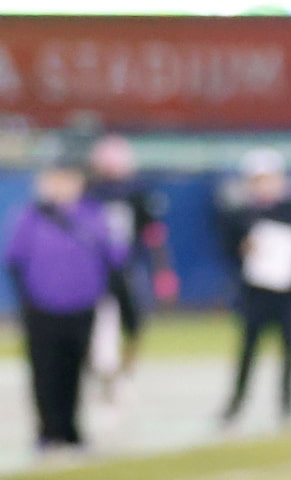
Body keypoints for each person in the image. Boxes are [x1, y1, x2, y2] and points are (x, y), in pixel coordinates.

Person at [4, 160, 120, 454]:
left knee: (75, 368)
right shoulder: (31, 216)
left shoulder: (94, 214)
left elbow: (115, 255)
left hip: (82, 305)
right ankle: (48, 430)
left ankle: (70, 429)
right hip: (42, 307)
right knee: (44, 370)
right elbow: (13, 258)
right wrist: (28, 299)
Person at [216, 148, 291, 426]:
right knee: (248, 349)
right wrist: (242, 250)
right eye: (259, 180)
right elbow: (228, 251)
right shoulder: (241, 215)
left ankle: (287, 404)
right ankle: (237, 402)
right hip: (255, 292)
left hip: (289, 292)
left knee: (289, 348)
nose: (265, 185)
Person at [83, 135, 176, 401]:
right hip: (96, 270)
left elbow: (155, 234)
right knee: (93, 325)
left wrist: (163, 271)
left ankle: (124, 373)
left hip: (128, 267)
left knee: (134, 323)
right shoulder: (91, 191)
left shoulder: (138, 193)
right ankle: (100, 376)